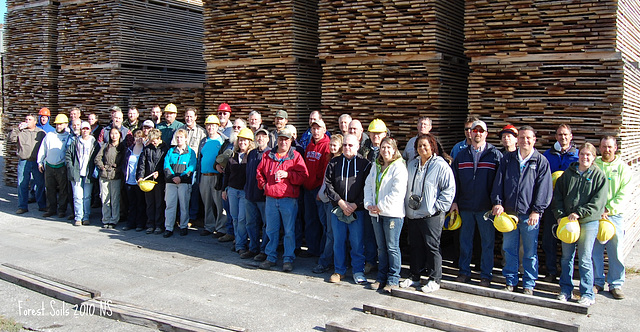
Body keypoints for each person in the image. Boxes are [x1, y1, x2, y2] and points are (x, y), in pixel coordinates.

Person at [491, 126, 552, 294]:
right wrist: (498, 202)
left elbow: (544, 189)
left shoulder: (540, 161)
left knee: (530, 251)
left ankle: (529, 283)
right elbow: (499, 183)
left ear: (534, 140)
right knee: (509, 249)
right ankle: (510, 281)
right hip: (509, 214)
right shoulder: (508, 159)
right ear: (517, 140)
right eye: (522, 137)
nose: (525, 141)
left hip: (529, 215)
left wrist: (537, 211)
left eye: (529, 138)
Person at [552, 143, 608, 306]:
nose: (585, 157)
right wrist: (560, 216)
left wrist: (579, 213)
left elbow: (598, 202)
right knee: (566, 257)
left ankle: (587, 293)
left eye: (588, 155)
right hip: (568, 221)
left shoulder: (599, 176)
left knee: (584, 258)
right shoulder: (568, 174)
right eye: (582, 154)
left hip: (588, 221)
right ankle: (565, 290)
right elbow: (558, 196)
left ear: (593, 157)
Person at [400, 134, 455, 293]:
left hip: (432, 214)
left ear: (432, 146)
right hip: (413, 213)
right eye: (419, 146)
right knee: (415, 245)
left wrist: (437, 206)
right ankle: (415, 275)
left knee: (432, 246)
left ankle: (434, 278)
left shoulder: (440, 165)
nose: (422, 148)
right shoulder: (412, 164)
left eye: (425, 145)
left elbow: (449, 189)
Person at [450, 120, 502, 286]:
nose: (477, 133)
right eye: (474, 130)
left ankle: (486, 275)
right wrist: (455, 201)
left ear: (486, 134)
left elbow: (500, 182)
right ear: (470, 133)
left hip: (486, 208)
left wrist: (497, 202)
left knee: (487, 243)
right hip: (465, 206)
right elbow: (454, 181)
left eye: (481, 131)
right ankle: (464, 272)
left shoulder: (495, 155)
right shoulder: (461, 155)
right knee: (465, 242)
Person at [256, 127, 309, 272]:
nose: (283, 142)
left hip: (288, 200)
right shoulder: (268, 155)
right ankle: (271, 257)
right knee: (271, 230)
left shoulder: (296, 157)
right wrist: (264, 185)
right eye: (281, 139)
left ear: (291, 141)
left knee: (289, 231)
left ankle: (288, 259)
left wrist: (288, 175)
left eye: (286, 139)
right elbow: (259, 172)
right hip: (271, 199)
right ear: (277, 140)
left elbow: (303, 176)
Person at [325, 134, 372, 284]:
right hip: (338, 209)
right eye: (344, 145)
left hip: (356, 211)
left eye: (350, 145)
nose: (347, 148)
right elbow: (328, 185)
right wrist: (341, 203)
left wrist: (355, 205)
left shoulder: (365, 164)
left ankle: (358, 271)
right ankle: (339, 271)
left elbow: (367, 187)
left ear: (358, 146)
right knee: (338, 241)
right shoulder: (334, 162)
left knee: (357, 242)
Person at [364, 137, 408, 292]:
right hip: (376, 214)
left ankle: (393, 278)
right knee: (381, 248)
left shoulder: (399, 167)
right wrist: (368, 204)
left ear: (394, 149)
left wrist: (380, 206)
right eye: (383, 147)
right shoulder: (376, 165)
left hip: (392, 214)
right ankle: (381, 278)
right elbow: (368, 185)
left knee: (392, 247)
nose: (385, 150)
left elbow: (397, 192)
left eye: (389, 147)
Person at [593, 136, 632, 299]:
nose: (606, 150)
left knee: (615, 250)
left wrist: (609, 209)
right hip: (595, 215)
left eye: (609, 147)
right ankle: (597, 281)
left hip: (614, 216)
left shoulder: (622, 168)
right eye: (603, 147)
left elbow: (624, 192)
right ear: (599, 148)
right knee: (595, 251)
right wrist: (596, 209)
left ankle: (616, 284)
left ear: (615, 148)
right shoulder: (595, 165)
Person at [541, 124, 579, 282]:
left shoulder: (577, 156)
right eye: (560, 135)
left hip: (570, 206)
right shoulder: (547, 155)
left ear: (570, 136)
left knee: (568, 240)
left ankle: (566, 275)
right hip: (551, 204)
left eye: (565, 135)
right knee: (549, 239)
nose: (563, 137)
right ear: (556, 137)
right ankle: (551, 271)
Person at [313, 134, 343, 274]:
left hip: (335, 203)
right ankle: (327, 259)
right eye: (330, 145)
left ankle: (326, 261)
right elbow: (326, 181)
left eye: (334, 145)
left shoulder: (340, 162)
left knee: (332, 233)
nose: (332, 147)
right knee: (328, 230)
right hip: (326, 200)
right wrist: (321, 194)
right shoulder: (330, 160)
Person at [302, 118, 332, 257]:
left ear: (324, 130)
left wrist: (322, 191)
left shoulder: (326, 146)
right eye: (313, 129)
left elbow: (326, 170)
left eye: (318, 128)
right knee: (310, 220)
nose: (316, 131)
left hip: (319, 190)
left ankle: (322, 252)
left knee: (323, 223)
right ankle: (312, 249)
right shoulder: (309, 145)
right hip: (308, 188)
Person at [222, 128, 255, 254]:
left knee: (242, 219)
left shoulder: (251, 157)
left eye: (245, 141)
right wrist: (224, 189)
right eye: (240, 140)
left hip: (244, 192)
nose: (242, 143)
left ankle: (241, 245)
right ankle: (238, 240)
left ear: (250, 142)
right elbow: (227, 173)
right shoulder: (233, 156)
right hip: (232, 190)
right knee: (235, 218)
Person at [172, 107, 207, 223]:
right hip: (180, 166)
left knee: (194, 191)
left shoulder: (201, 131)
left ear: (196, 117)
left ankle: (192, 216)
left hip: (195, 166)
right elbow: (173, 147)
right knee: (181, 192)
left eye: (191, 116)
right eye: (187, 116)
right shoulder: (179, 130)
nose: (189, 118)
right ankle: (180, 217)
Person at [163, 129, 197, 238]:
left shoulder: (190, 152)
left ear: (186, 138)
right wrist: (173, 176)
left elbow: (192, 166)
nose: (179, 139)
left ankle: (183, 226)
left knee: (184, 205)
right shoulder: (171, 151)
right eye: (177, 137)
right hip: (171, 182)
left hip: (184, 183)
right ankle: (169, 227)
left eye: (181, 137)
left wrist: (181, 177)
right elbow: (166, 164)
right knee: (170, 205)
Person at [198, 115, 227, 238]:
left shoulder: (222, 141)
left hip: (217, 176)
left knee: (219, 204)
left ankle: (221, 228)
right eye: (208, 125)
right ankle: (209, 226)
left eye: (213, 125)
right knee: (207, 203)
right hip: (204, 176)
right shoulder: (203, 141)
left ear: (217, 127)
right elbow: (200, 157)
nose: (211, 128)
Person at [10, 114, 46, 214]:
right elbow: (11, 139)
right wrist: (17, 129)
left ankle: (42, 205)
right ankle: (22, 206)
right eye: (26, 119)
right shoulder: (21, 132)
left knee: (40, 184)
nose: (27, 121)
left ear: (35, 122)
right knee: (22, 184)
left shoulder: (41, 133)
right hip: (24, 161)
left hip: (36, 161)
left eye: (30, 120)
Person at [37, 114, 72, 218]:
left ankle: (62, 210)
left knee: (63, 189)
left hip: (61, 166)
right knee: (50, 188)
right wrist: (40, 161)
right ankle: (51, 208)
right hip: (49, 166)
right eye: (57, 124)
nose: (59, 126)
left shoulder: (68, 137)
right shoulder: (50, 135)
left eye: (61, 124)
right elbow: (43, 148)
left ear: (66, 124)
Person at [65, 121, 99, 226]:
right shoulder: (75, 142)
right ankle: (78, 217)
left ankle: (86, 216)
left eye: (87, 129)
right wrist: (70, 167)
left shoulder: (94, 143)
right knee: (77, 196)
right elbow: (68, 155)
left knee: (87, 196)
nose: (85, 131)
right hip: (76, 173)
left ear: (90, 130)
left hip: (88, 173)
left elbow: (98, 157)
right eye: (83, 129)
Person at [137, 129, 168, 234]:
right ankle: (150, 224)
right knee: (149, 203)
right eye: (151, 140)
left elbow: (166, 163)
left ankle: (159, 225)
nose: (153, 142)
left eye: (154, 140)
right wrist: (140, 177)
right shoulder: (147, 149)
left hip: (159, 181)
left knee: (159, 203)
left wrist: (160, 173)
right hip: (148, 180)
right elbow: (142, 163)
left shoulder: (165, 149)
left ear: (159, 138)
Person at [95, 128, 125, 229]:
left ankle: (114, 219)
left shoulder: (122, 147)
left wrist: (118, 169)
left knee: (115, 198)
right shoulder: (105, 146)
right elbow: (97, 158)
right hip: (104, 175)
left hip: (116, 175)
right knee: (104, 198)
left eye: (116, 133)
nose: (114, 136)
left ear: (119, 135)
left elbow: (124, 162)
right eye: (112, 133)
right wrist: (102, 167)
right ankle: (106, 218)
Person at [122, 130, 146, 231]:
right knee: (131, 203)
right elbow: (125, 164)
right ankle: (130, 223)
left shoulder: (145, 150)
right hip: (129, 180)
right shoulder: (129, 150)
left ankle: (140, 223)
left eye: (140, 137)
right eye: (136, 137)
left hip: (139, 181)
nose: (138, 139)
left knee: (140, 203)